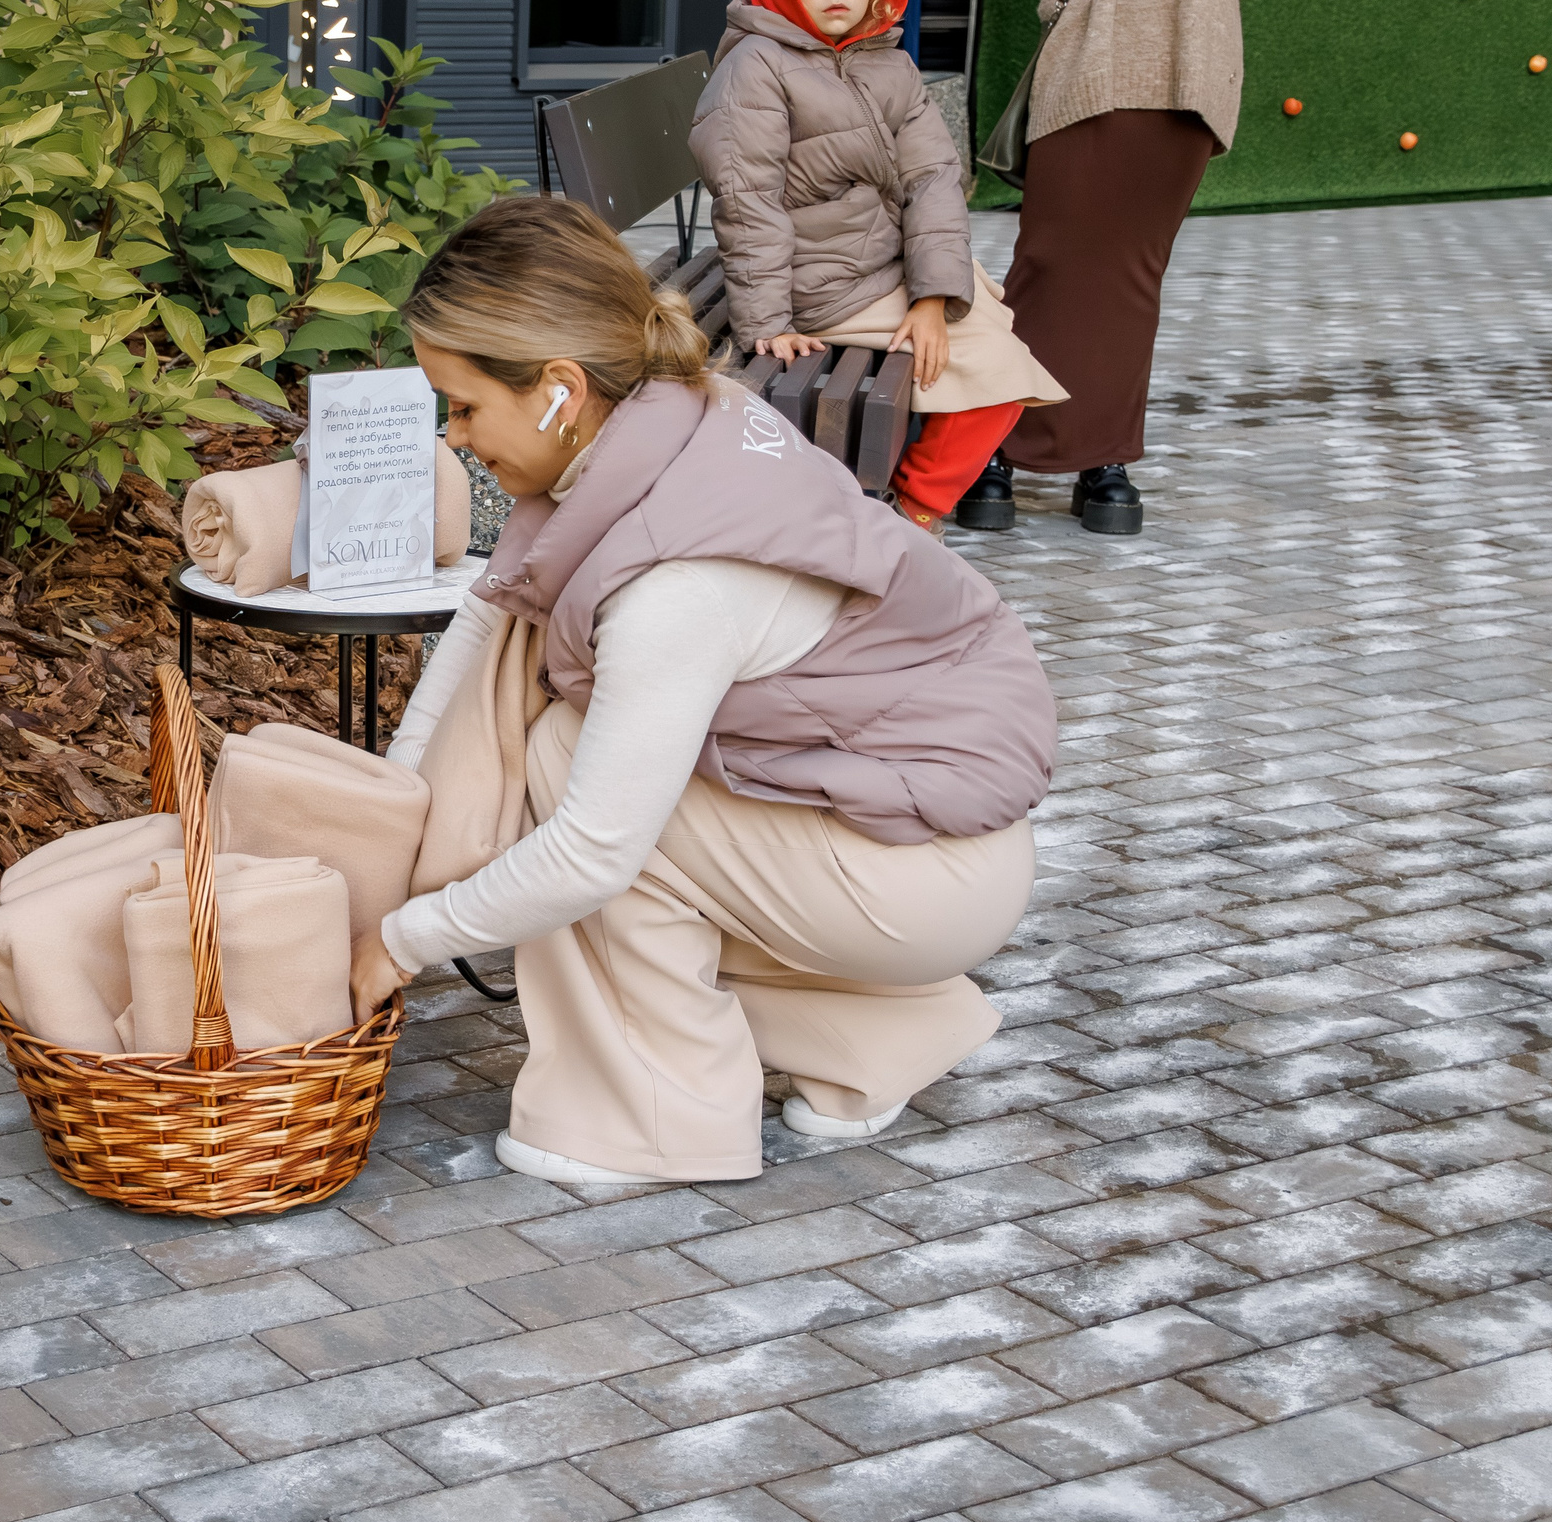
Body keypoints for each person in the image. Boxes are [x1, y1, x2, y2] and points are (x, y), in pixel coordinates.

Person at [344, 196, 1055, 1184]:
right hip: (911, 838)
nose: (454, 436)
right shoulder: (672, 426)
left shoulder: (678, 582)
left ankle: (655, 1120)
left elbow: (593, 855)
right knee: (601, 784)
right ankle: (881, 1041)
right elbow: (485, 621)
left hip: (923, 873)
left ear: (557, 389)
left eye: (463, 405)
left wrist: (397, 941)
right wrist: (383, 823)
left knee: (570, 774)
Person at [691, 0, 1065, 535]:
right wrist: (769, 323)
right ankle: (914, 511)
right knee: (1005, 371)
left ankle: (905, 497)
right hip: (820, 285)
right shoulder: (756, 68)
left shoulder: (885, 62)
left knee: (980, 308)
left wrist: (932, 298)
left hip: (871, 263)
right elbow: (748, 203)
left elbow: (934, 178)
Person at [966, 0, 1291, 535]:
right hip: (1093, 59)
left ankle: (1103, 457)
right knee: (1049, 262)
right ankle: (992, 442)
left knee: (1134, 277)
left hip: (1191, 72)